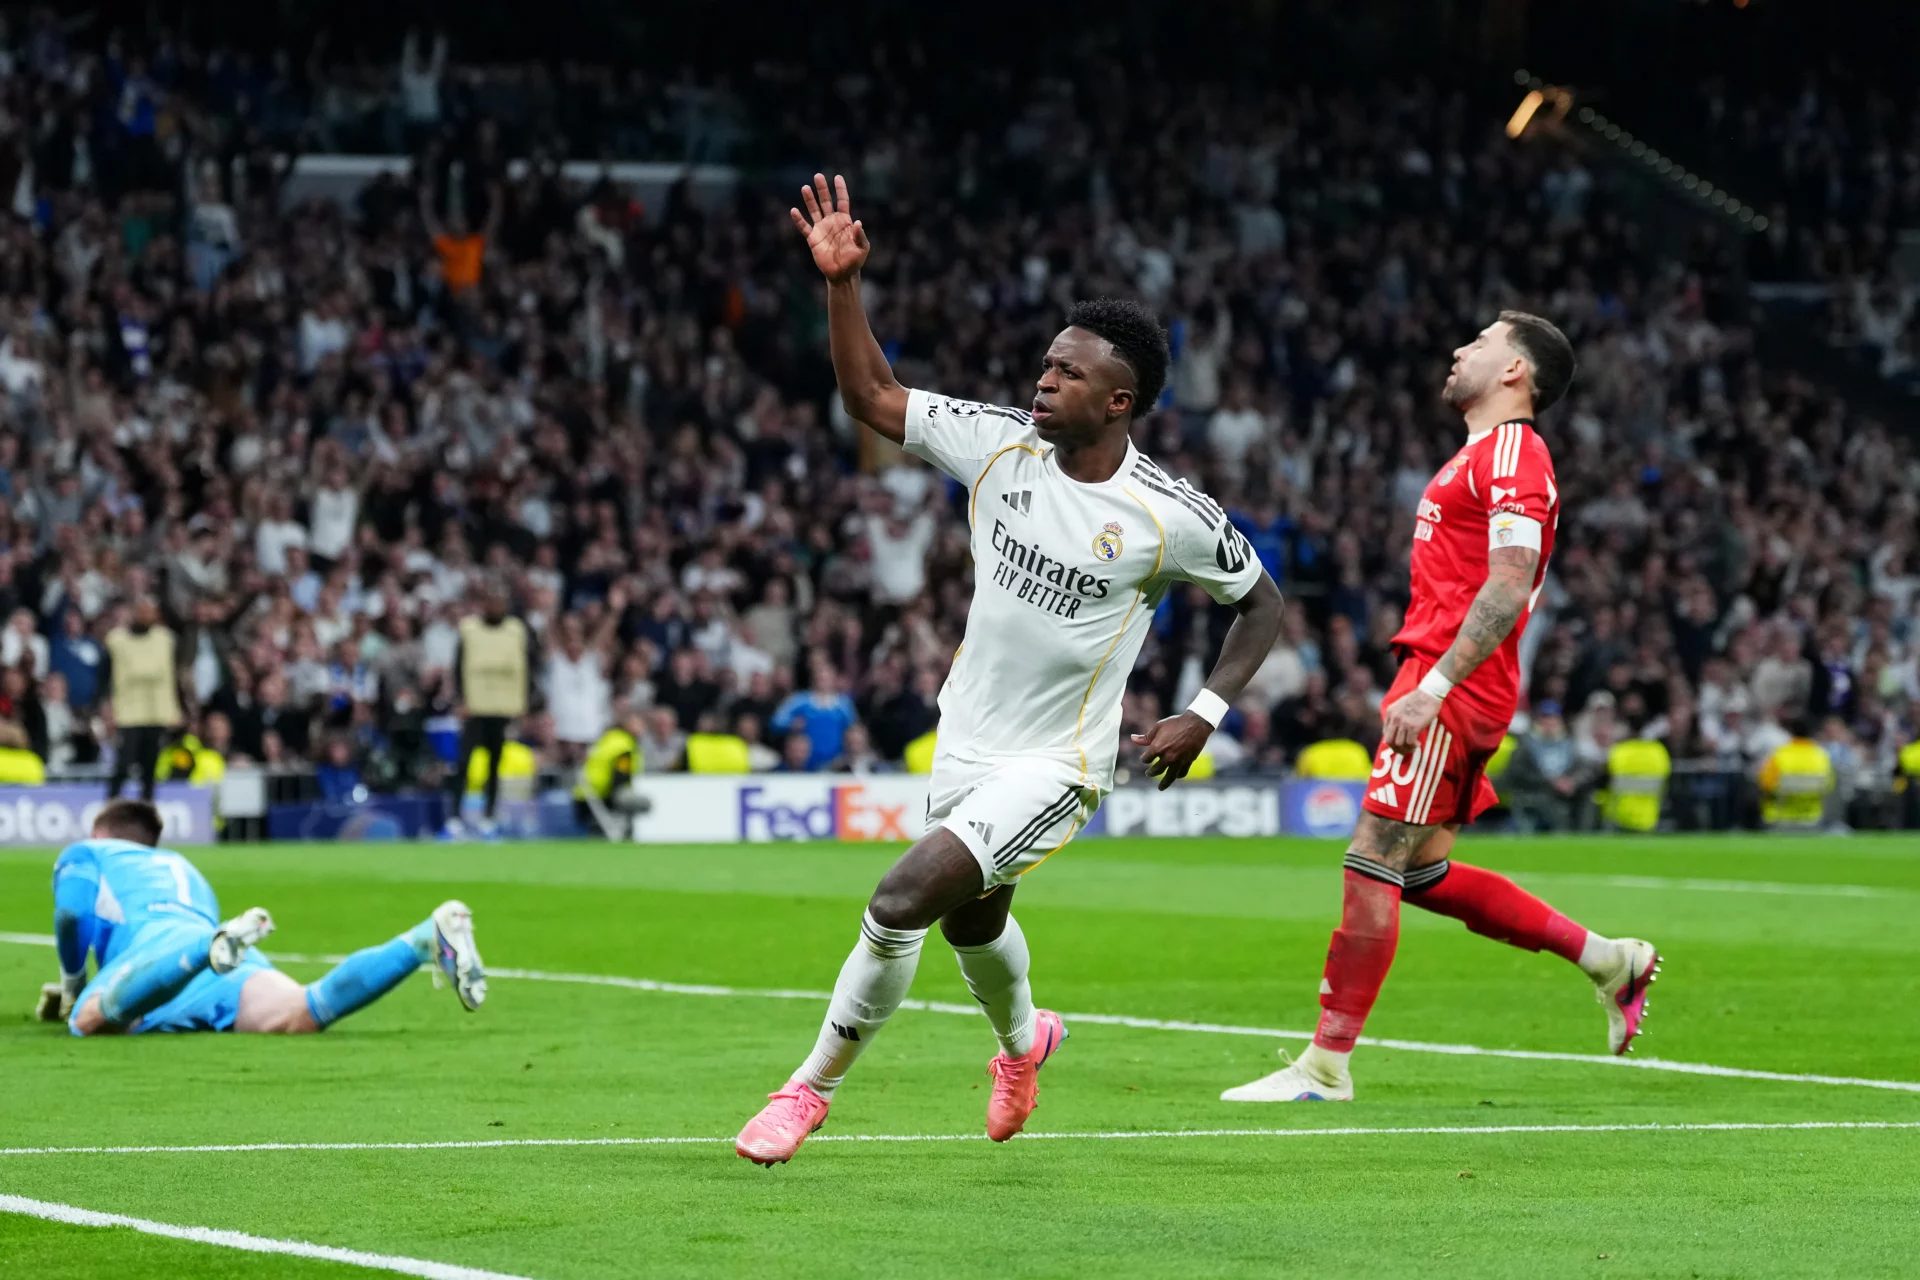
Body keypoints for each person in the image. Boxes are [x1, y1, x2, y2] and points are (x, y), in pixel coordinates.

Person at [735, 175, 1284, 1165]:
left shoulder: (1170, 514)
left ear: (1120, 400)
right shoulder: (997, 447)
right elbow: (869, 395)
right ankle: (1025, 1040)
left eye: (1068, 373)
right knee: (972, 924)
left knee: (901, 900)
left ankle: (806, 1090)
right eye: (1045, 364)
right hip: (969, 737)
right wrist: (843, 285)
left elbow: (1263, 604)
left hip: (1060, 762)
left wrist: (1204, 711)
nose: (1044, 380)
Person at [1226, 313, 1658, 1106]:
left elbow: (1510, 578)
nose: (1460, 349)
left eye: (1482, 343)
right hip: (1451, 678)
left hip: (1451, 683)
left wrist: (1434, 687)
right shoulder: (1483, 454)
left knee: (1372, 856)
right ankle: (1609, 959)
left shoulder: (1514, 455)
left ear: (1515, 372)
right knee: (1418, 870)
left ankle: (1325, 1066)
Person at [36, 800, 484, 1037]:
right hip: (205, 948)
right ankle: (424, 939)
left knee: (90, 1019)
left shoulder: (88, 852)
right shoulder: (183, 869)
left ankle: (206, 951)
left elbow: (72, 913)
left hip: (163, 948)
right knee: (303, 1011)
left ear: (99, 832)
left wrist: (74, 988)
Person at [444, 590, 529, 839]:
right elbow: (459, 665)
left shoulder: (516, 630)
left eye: (500, 601)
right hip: (474, 706)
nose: (495, 606)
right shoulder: (469, 630)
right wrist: (461, 699)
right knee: (463, 762)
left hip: (501, 707)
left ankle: (489, 816)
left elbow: (524, 667)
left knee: (495, 764)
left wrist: (521, 703)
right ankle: (456, 817)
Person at [102, 598, 182, 802]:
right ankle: (110, 807)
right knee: (123, 765)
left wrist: (180, 707)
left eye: (150, 611)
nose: (146, 616)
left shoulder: (165, 639)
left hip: (156, 712)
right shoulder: (117, 641)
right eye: (142, 611)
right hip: (128, 712)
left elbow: (174, 675)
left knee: (150, 769)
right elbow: (104, 675)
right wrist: (105, 704)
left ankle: (147, 811)